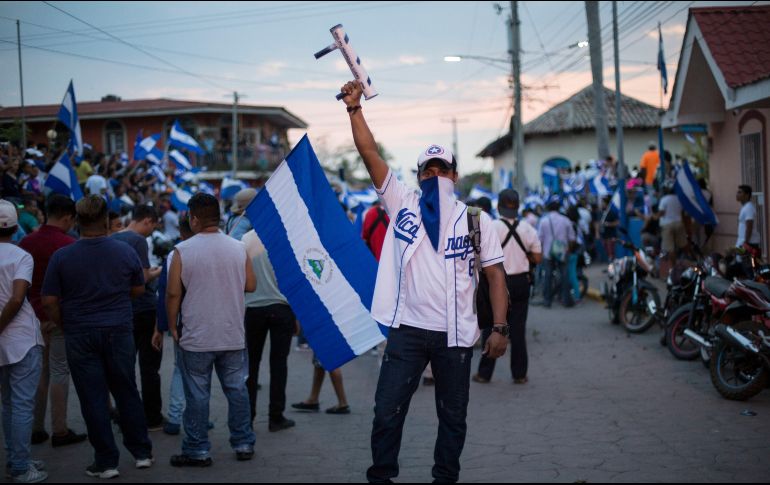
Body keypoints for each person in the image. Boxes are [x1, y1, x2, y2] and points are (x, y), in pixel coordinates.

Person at [340, 80, 509, 484]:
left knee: (453, 418)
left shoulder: (475, 219)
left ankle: (444, 478)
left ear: (455, 174)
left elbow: (495, 275)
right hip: (408, 332)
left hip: (456, 336)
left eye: (442, 169)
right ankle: (381, 475)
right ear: (417, 177)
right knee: (386, 411)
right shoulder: (402, 203)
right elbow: (369, 153)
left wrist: (500, 327)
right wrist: (354, 109)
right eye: (427, 170)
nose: (435, 175)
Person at [41, 195, 153, 479]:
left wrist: (63, 323)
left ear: (77, 221)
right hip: (118, 328)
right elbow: (138, 289)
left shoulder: (63, 256)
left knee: (93, 398)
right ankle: (142, 452)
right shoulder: (124, 251)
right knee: (126, 390)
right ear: (105, 220)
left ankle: (106, 461)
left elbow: (50, 300)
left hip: (80, 332)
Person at [166, 193, 256, 467]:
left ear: (193, 219)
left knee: (197, 395)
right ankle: (243, 442)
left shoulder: (182, 250)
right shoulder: (238, 247)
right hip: (232, 334)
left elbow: (172, 295)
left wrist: (172, 327)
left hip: (196, 336)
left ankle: (197, 450)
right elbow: (250, 285)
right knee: (237, 390)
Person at [18, 195, 87, 448]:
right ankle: (59, 429)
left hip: (30, 315)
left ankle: (35, 428)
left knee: (38, 373)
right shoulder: (68, 244)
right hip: (58, 315)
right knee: (59, 371)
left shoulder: (26, 242)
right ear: (68, 217)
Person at [0, 199, 48, 483]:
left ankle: (16, 459)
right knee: (20, 405)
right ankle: (19, 466)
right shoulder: (20, 256)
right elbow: (18, 297)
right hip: (21, 339)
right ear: (16, 226)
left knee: (8, 404)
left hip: (8, 343)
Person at [473, 189, 541, 385]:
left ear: (498, 206)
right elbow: (538, 257)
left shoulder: (490, 226)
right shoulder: (528, 228)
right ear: (518, 207)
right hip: (520, 282)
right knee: (518, 330)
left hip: (497, 281)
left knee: (491, 327)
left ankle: (484, 374)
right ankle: (519, 374)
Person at [111, 205, 164, 430]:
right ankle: (152, 417)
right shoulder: (138, 240)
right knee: (150, 368)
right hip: (143, 309)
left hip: (121, 310)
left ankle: (126, 415)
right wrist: (159, 271)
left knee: (124, 367)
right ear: (147, 221)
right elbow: (141, 278)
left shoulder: (113, 238)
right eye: (153, 225)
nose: (152, 230)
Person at [241, 229, 297, 432]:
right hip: (281, 308)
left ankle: (248, 416)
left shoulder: (245, 240)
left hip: (253, 308)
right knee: (279, 363)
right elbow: (293, 279)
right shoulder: (284, 237)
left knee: (251, 364)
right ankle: (276, 416)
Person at [536, 196, 576, 308]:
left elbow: (540, 239)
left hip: (548, 253)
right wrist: (568, 249)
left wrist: (542, 252)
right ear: (559, 209)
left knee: (547, 276)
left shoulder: (544, 221)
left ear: (548, 209)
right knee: (564, 275)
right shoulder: (566, 220)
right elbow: (572, 238)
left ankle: (547, 301)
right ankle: (566, 300)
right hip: (562, 252)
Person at [736, 185, 761, 254]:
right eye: (737, 192)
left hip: (749, 243)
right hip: (743, 243)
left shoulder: (749, 208)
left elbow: (749, 226)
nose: (737, 194)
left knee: (749, 264)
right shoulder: (744, 207)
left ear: (747, 195)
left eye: (740, 192)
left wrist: (746, 243)